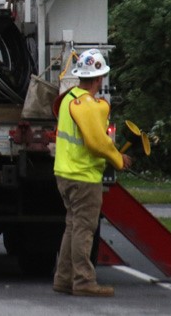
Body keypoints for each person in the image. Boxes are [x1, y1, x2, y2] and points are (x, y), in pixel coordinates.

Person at [52, 49, 132, 297]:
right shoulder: (89, 106)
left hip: (64, 173)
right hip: (83, 176)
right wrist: (119, 159)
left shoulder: (68, 99)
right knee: (84, 229)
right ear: (99, 79)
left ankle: (63, 279)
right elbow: (97, 142)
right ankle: (84, 281)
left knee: (73, 226)